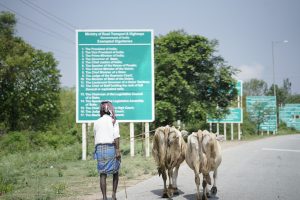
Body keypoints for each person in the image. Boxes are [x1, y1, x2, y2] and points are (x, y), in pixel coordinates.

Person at [94, 101, 121, 200]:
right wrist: (118, 150)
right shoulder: (113, 121)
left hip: (99, 149)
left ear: (101, 111)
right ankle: (113, 195)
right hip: (111, 148)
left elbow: (96, 137)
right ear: (110, 110)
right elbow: (116, 136)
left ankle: (104, 197)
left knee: (102, 174)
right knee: (116, 172)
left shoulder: (96, 122)